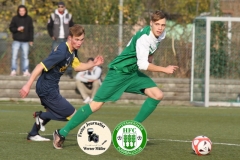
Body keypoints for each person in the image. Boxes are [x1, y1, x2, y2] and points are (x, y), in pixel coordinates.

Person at [52, 10, 179, 149]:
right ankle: (61, 132)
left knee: (157, 95)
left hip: (132, 73)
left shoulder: (161, 35)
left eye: (163, 25)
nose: (160, 27)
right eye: (157, 24)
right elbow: (143, 65)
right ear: (151, 24)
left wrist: (150, 57)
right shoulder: (144, 38)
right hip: (119, 73)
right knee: (96, 105)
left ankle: (131, 129)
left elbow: (148, 55)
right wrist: (164, 69)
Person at [19, 24, 104, 141]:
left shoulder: (72, 50)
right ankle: (41, 116)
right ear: (70, 38)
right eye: (76, 39)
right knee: (73, 115)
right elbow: (40, 66)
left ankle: (33, 133)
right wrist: (27, 85)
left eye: (81, 39)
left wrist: (93, 64)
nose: (79, 42)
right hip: (46, 88)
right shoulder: (62, 52)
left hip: (52, 87)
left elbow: (77, 66)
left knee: (52, 111)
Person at [47, 1, 74, 79]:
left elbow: (72, 27)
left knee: (68, 55)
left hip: (66, 39)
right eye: (59, 6)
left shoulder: (68, 16)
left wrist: (71, 36)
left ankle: (69, 72)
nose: (60, 8)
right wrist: (52, 35)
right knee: (54, 55)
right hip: (57, 39)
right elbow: (49, 26)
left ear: (64, 7)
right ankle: (52, 72)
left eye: (62, 7)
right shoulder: (53, 16)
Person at [9, 5, 34, 76]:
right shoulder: (15, 18)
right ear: (18, 11)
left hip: (25, 41)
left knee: (25, 57)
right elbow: (11, 28)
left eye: (23, 11)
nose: (22, 12)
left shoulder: (29, 19)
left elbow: (31, 30)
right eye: (20, 11)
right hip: (16, 40)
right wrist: (17, 29)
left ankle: (25, 70)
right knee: (14, 56)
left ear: (25, 11)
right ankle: (13, 70)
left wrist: (31, 39)